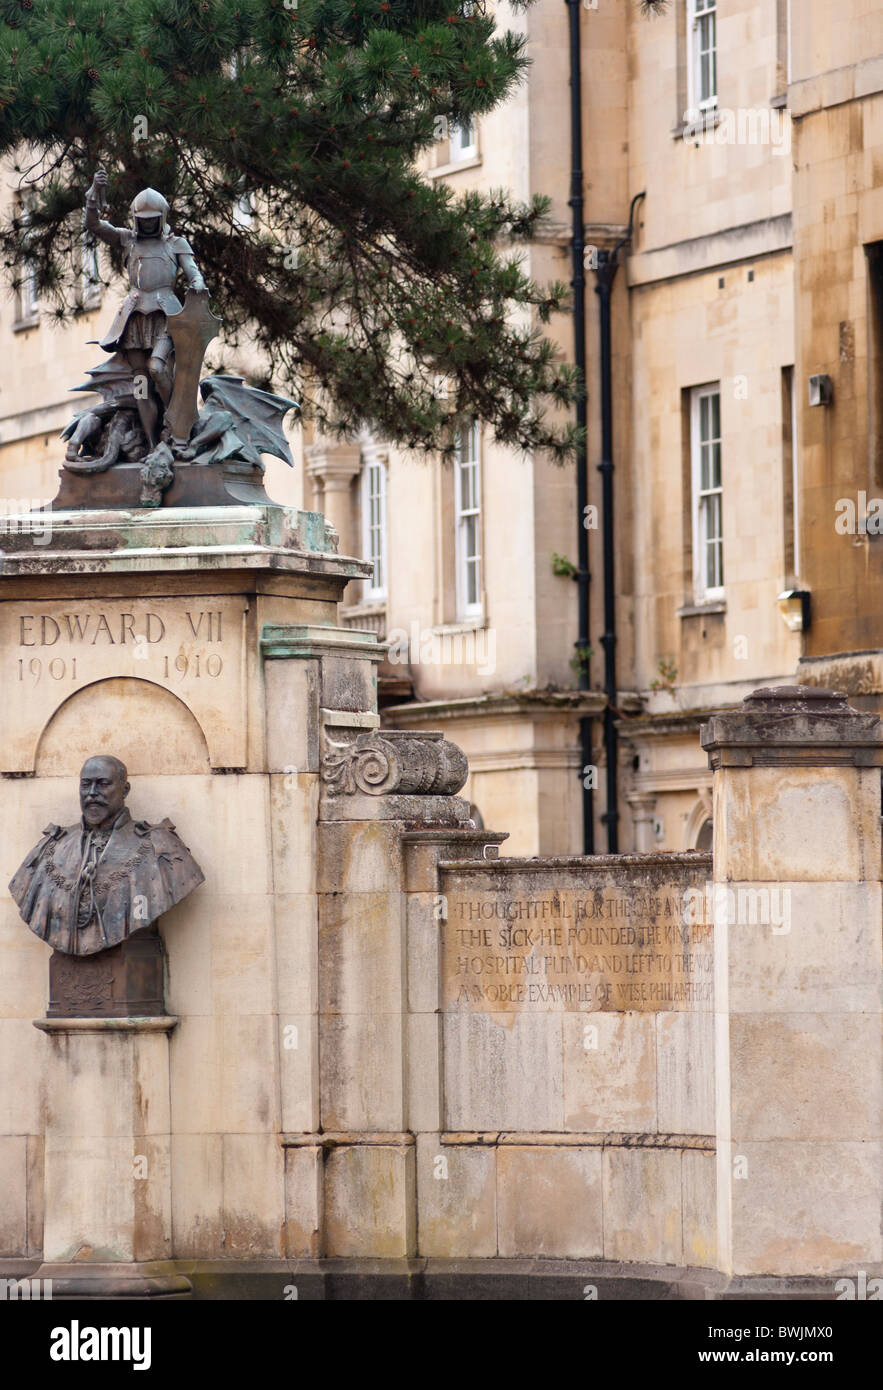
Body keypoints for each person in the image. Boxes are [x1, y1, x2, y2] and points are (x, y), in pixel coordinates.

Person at [9, 755, 204, 956]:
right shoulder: (50, 847)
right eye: (86, 785)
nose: (92, 793)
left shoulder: (160, 846)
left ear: (125, 790)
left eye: (103, 784)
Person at [84, 167, 209, 447]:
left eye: (153, 220)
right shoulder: (127, 239)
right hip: (134, 318)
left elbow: (192, 270)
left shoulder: (176, 243)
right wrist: (94, 194)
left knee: (157, 368)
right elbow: (93, 225)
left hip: (166, 316)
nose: (148, 224)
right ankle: (154, 443)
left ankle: (176, 422)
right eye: (144, 220)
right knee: (140, 388)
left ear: (162, 218)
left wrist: (198, 283)